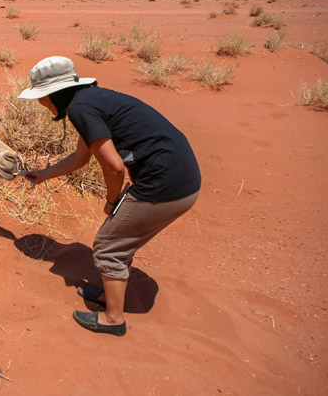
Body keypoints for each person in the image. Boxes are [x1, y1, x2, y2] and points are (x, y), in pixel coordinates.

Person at [18, 56, 200, 336]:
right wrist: (44, 174)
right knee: (116, 239)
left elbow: (114, 168)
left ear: (51, 95)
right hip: (181, 178)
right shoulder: (90, 100)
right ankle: (109, 295)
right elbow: (81, 157)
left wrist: (113, 201)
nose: (40, 103)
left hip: (165, 185)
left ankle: (113, 319)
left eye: (40, 97)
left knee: (107, 246)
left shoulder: (80, 109)